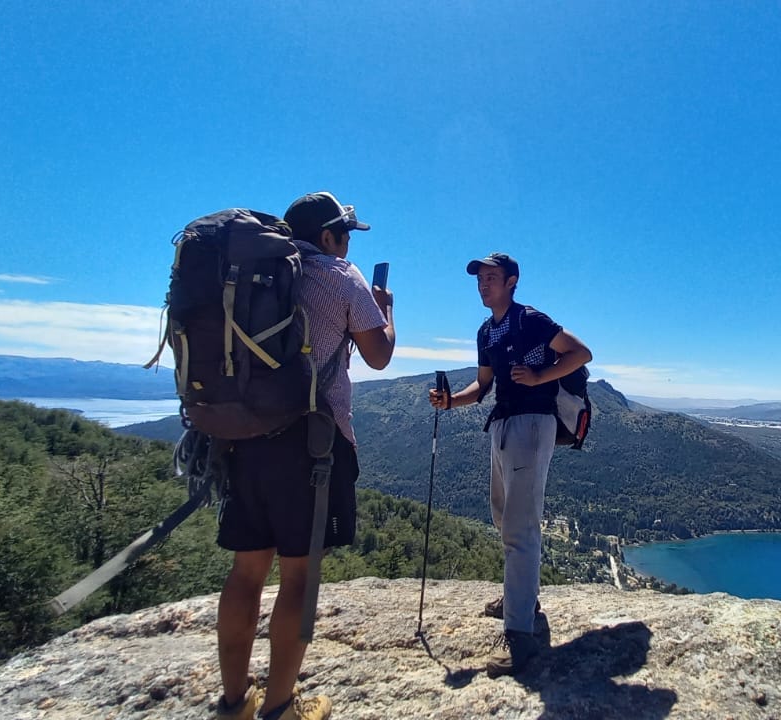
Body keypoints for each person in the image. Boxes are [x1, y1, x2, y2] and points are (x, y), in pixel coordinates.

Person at [215, 192, 395, 720]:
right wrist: (385, 311)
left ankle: (232, 703)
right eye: (344, 235)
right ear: (327, 236)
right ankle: (280, 708)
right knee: (298, 577)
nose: (346, 245)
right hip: (311, 444)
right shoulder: (340, 276)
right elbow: (379, 356)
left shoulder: (254, 273)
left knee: (246, 572)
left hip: (245, 435)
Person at [428, 252, 592, 677]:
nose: (483, 284)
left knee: (520, 529)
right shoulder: (487, 331)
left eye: (492, 277)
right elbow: (483, 385)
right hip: (501, 426)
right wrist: (451, 401)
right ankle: (522, 597)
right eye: (480, 279)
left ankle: (520, 635)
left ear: (512, 281)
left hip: (532, 425)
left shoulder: (529, 320)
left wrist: (539, 378)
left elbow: (580, 353)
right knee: (503, 519)